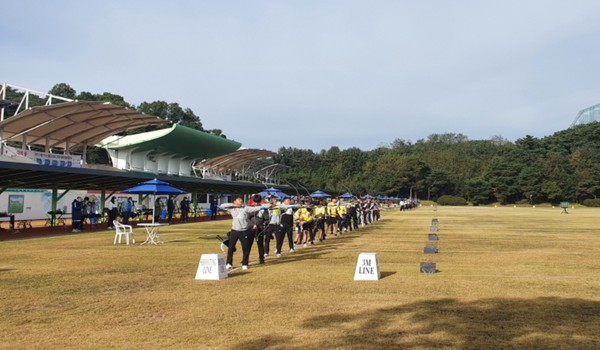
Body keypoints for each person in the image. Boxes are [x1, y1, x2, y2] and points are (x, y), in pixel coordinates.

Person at [220, 195, 270, 270]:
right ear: (235, 201)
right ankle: (229, 263)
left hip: (244, 231)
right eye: (239, 199)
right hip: (234, 230)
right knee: (230, 247)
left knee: (245, 248)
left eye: (241, 199)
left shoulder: (246, 208)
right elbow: (222, 206)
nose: (241, 200)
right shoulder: (232, 208)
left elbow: (257, 208)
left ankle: (245, 263)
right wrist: (234, 205)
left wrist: (267, 205)